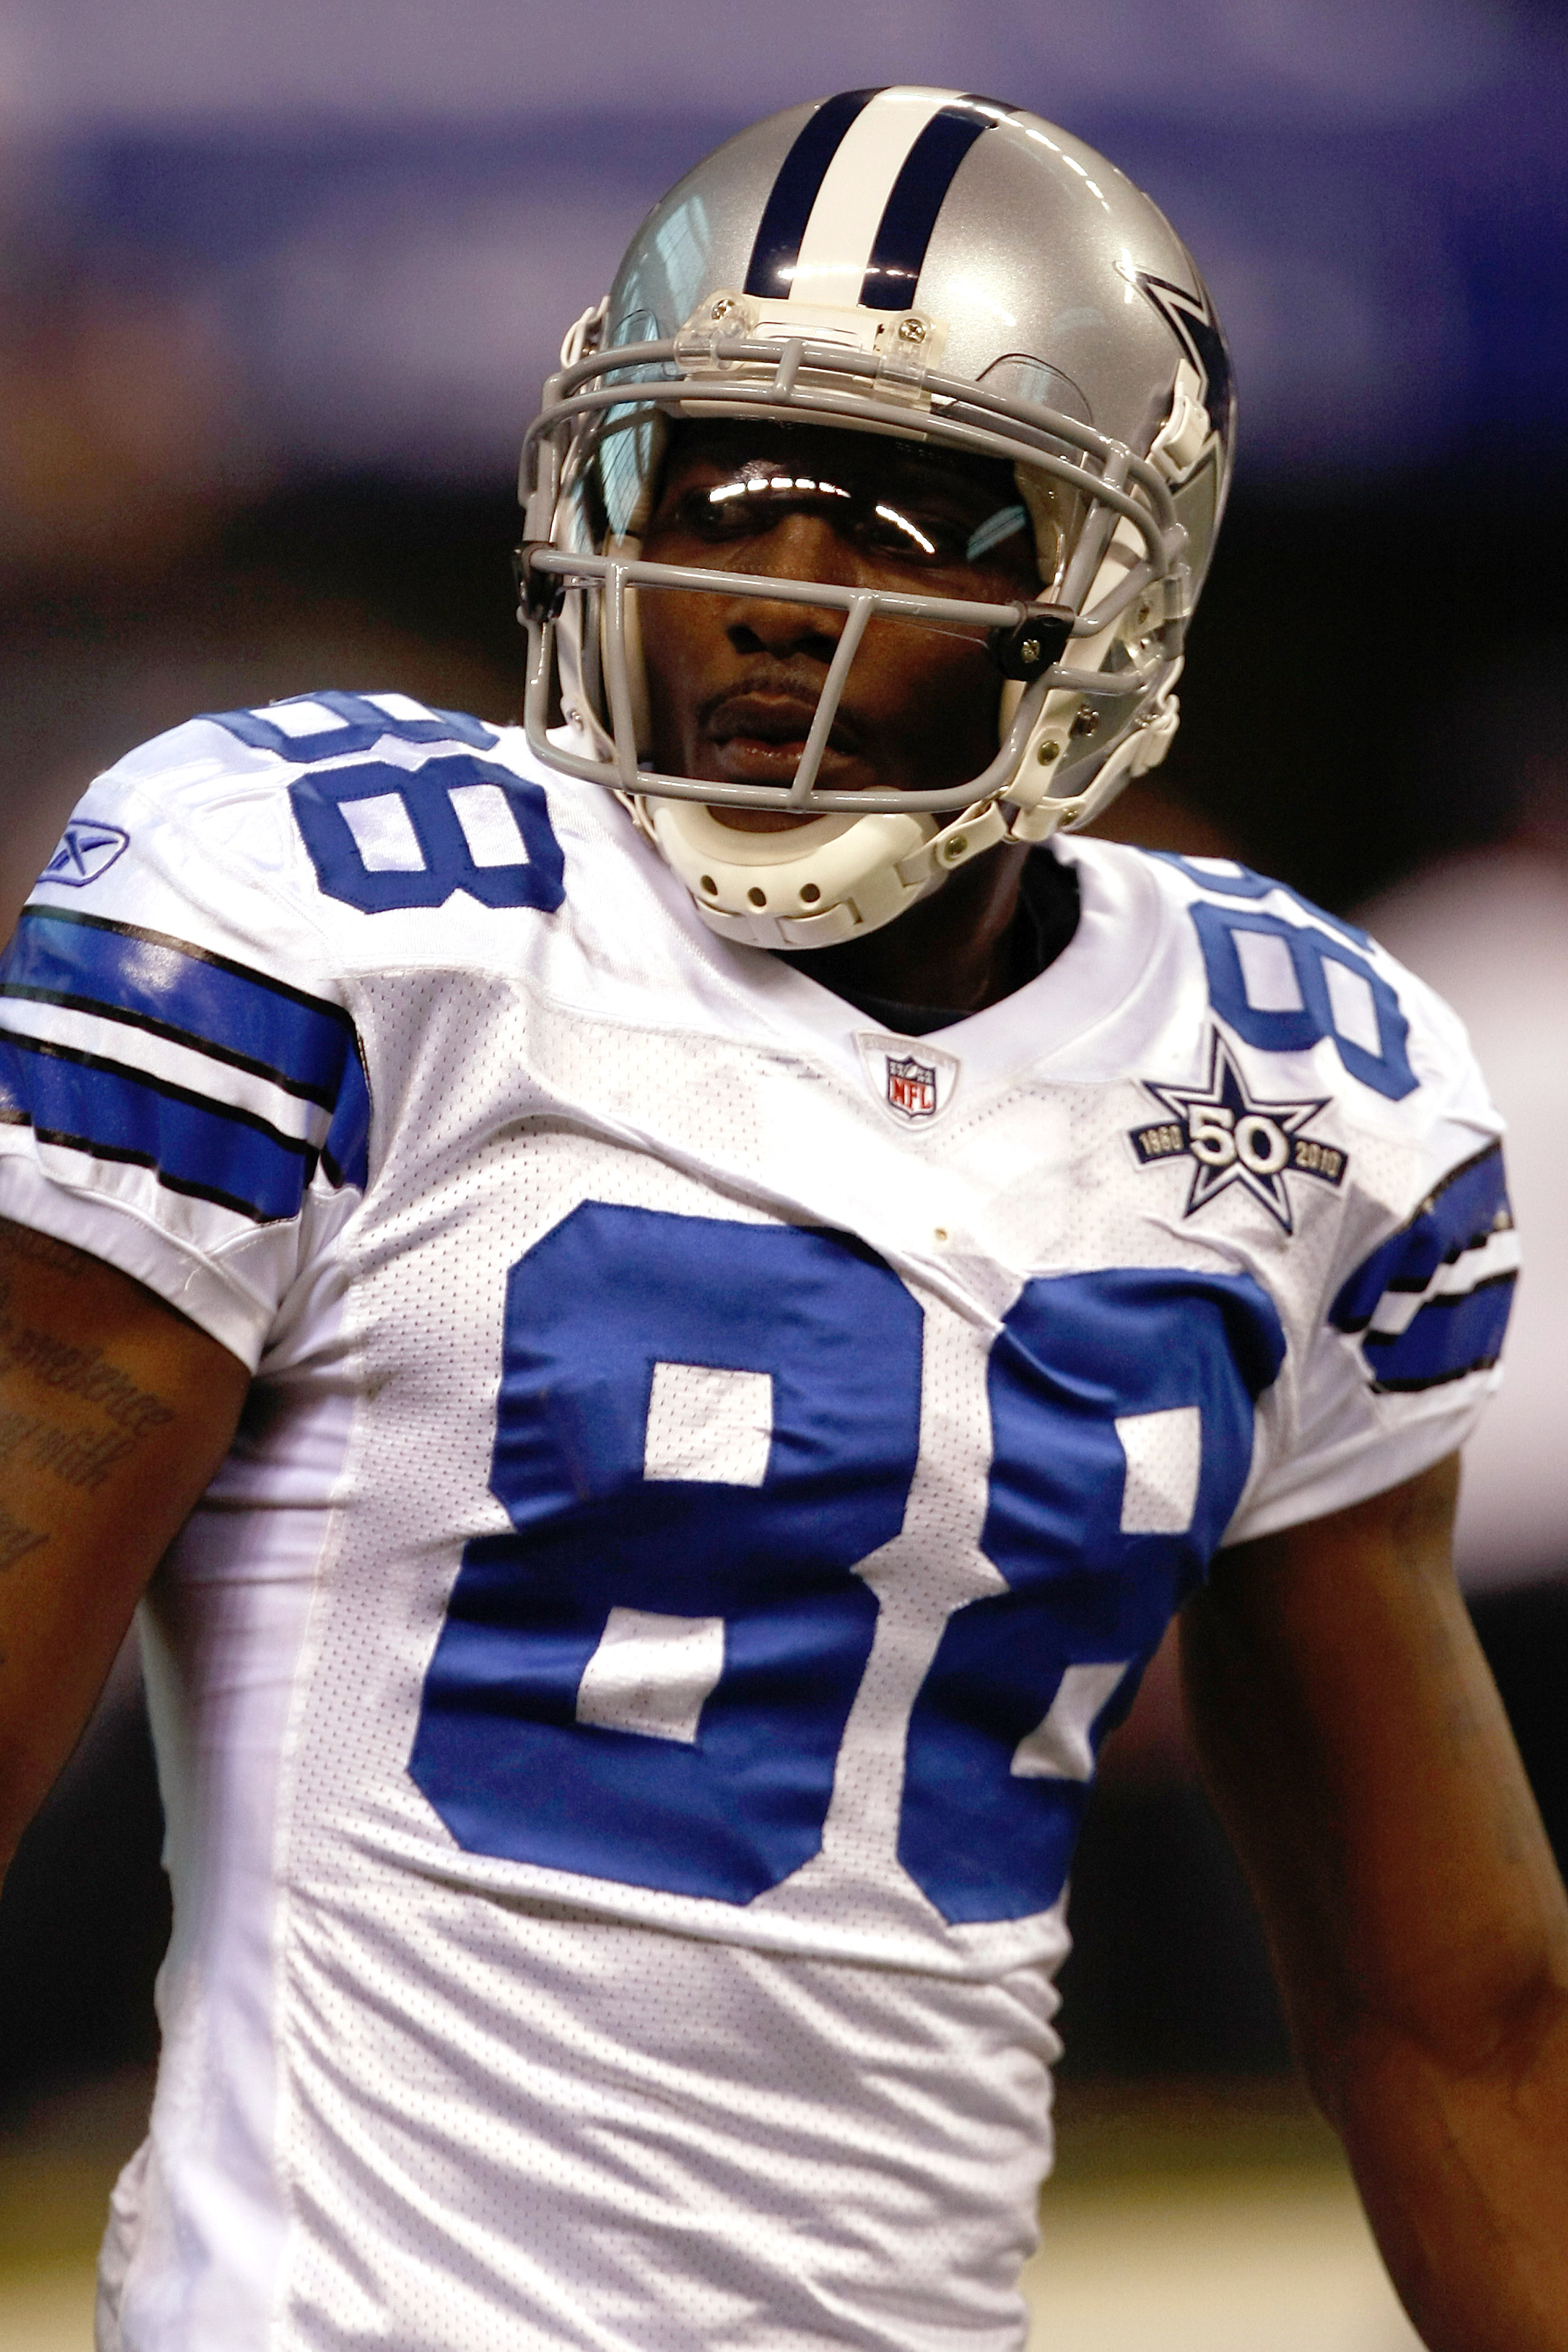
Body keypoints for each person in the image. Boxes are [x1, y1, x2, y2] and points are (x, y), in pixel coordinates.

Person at [0, 86, 1563, 2352]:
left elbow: (1460, 2021)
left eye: (913, 522)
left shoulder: (1306, 1087)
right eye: (719, 490)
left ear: (1100, 595)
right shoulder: (333, 919)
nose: (772, 599)